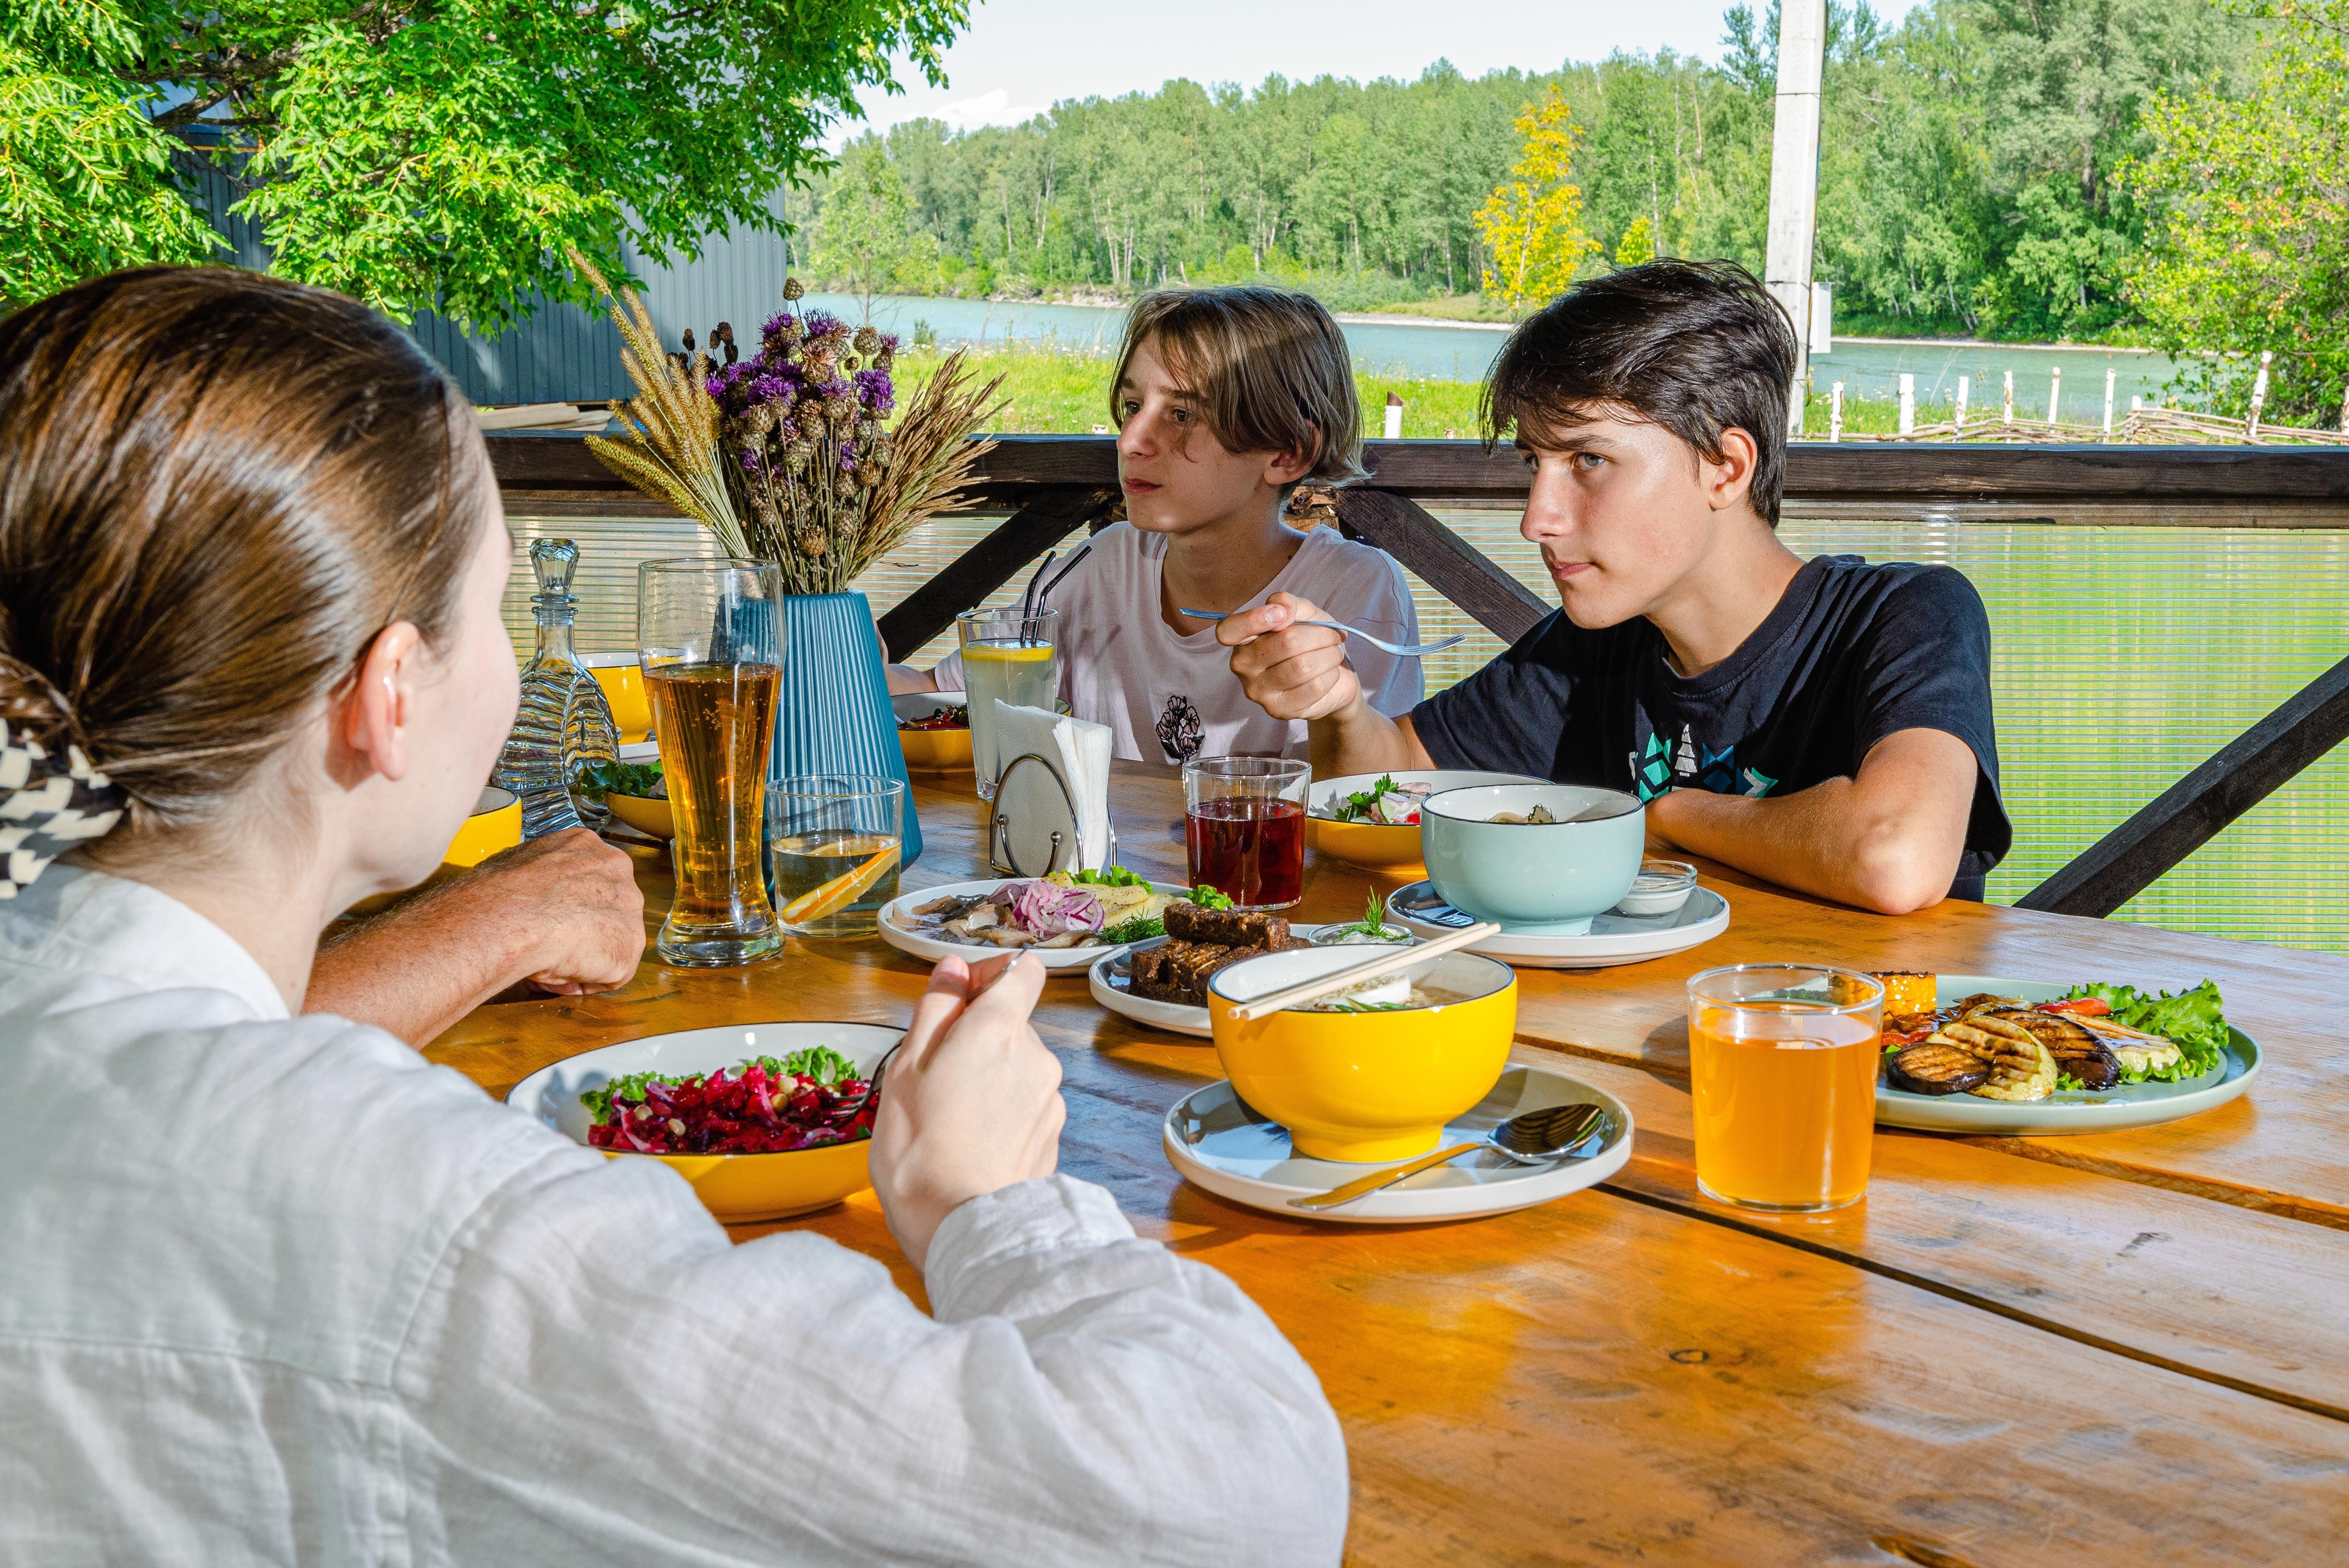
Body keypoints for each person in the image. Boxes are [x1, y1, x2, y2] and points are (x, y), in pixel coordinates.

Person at [0, 267, 1348, 1564]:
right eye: (498, 604)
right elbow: (1234, 1498)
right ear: (388, 694)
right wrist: (990, 1202)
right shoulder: (420, 1222)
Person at [1219, 260, 2011, 912]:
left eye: (1588, 461)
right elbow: (1384, 780)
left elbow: (1894, 857)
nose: (1537, 519)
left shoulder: (1905, 614)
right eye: (1535, 463)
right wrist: (1337, 704)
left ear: (1725, 467)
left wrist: (1664, 814)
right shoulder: (1591, 648)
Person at [892, 286, 1422, 765]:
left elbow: (1367, 799)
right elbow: (946, 695)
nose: (1129, 441)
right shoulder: (1106, 562)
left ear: (1288, 453)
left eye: (1183, 415)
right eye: (1132, 405)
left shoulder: (1355, 589)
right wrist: (837, 657)